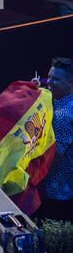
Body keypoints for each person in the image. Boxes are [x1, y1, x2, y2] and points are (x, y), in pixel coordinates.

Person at [36, 57, 73, 222]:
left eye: (55, 79)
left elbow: (56, 154)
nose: (49, 82)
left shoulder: (66, 113)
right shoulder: (54, 102)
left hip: (58, 193)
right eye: (49, 77)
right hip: (49, 190)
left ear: (70, 82)